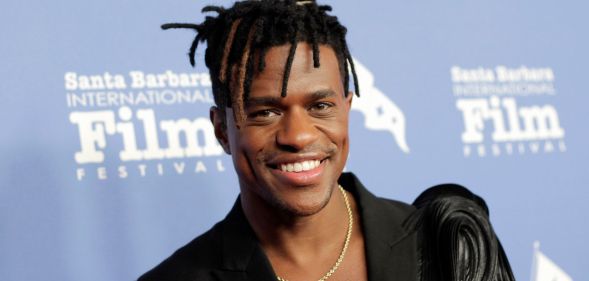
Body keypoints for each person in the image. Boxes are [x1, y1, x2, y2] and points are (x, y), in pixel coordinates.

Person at [139, 1, 515, 280]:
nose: (299, 136)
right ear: (222, 129)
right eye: (265, 112)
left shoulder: (443, 244)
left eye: (320, 106)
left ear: (347, 109)